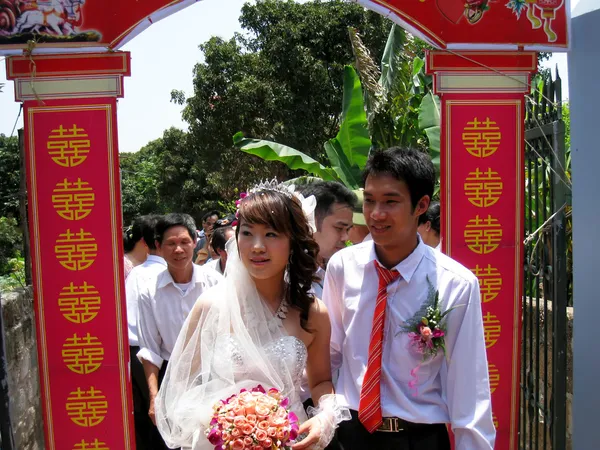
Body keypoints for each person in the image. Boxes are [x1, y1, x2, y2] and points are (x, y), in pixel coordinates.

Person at [322, 147, 495, 449]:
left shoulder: (455, 284)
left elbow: (469, 389)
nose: (376, 214)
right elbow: (328, 355)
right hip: (349, 434)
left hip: (419, 438)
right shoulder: (342, 268)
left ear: (421, 205)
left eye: (390, 202)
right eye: (371, 200)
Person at [154, 183, 349, 450]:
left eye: (271, 234)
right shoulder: (212, 305)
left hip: (290, 440)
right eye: (247, 233)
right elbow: (181, 386)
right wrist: (224, 421)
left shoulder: (313, 312)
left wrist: (325, 416)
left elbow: (321, 382)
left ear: (293, 240)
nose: (257, 246)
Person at [137, 213, 223, 449]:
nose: (178, 250)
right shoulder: (149, 293)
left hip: (215, 378)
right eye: (171, 244)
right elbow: (150, 350)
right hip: (172, 381)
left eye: (184, 242)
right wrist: (154, 397)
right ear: (158, 247)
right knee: (175, 442)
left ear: (195, 242)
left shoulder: (215, 283)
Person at [125, 214, 165, 449]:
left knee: (142, 418)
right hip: (154, 354)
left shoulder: (136, 273)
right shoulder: (159, 275)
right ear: (158, 243)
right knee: (160, 417)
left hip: (132, 352)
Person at [297, 181, 356, 297]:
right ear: (310, 221)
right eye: (339, 228)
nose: (346, 237)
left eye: (348, 229)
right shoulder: (287, 275)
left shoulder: (346, 268)